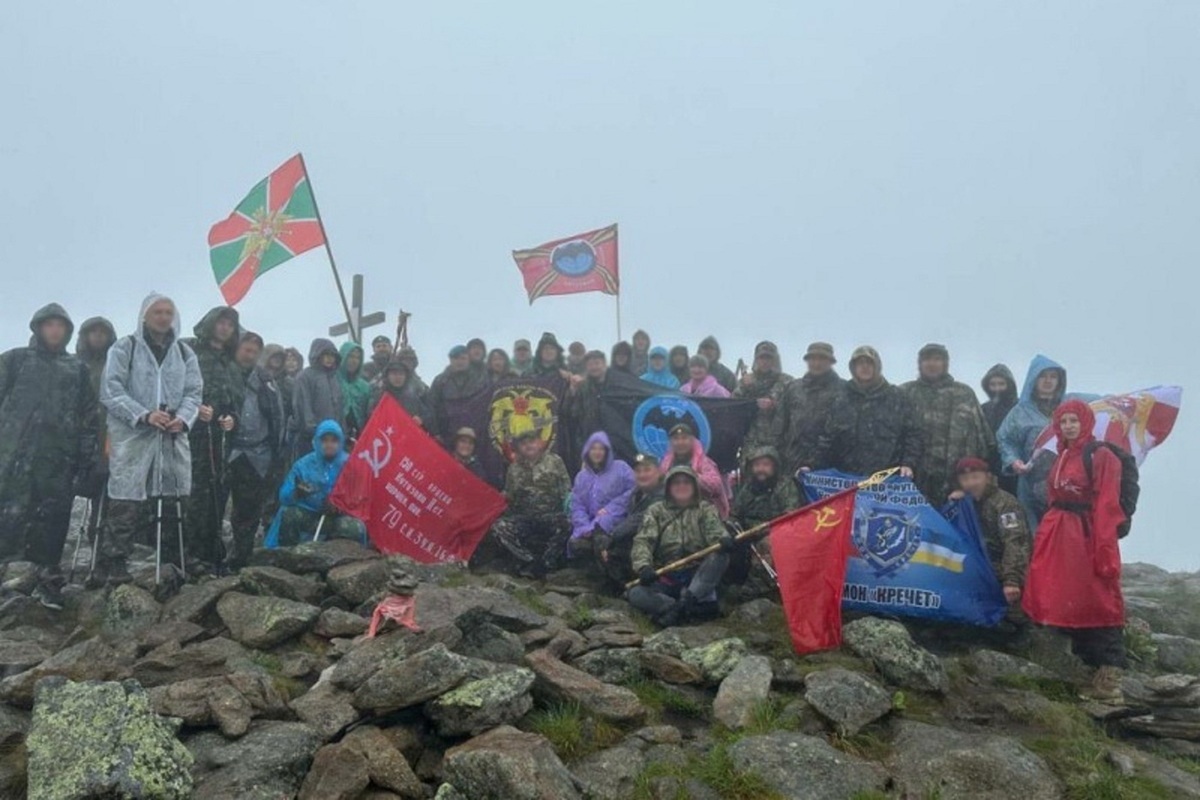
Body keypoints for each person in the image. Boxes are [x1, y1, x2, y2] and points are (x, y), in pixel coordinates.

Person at [1022, 400, 1128, 704]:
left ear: (1086, 422)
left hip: (1084, 536)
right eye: (1063, 421)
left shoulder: (1101, 455)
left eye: (1074, 420)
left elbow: (1107, 504)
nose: (1068, 425)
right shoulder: (1064, 453)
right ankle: (1089, 670)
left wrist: (1105, 550)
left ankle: (1110, 677)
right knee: (1066, 596)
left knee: (1097, 597)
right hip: (1060, 535)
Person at [97, 293, 202, 586]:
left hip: (171, 435)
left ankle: (175, 555)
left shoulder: (184, 353)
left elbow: (194, 392)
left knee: (174, 495)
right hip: (132, 436)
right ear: (145, 315)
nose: (164, 316)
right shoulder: (125, 348)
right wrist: (143, 414)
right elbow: (111, 390)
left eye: (169, 311)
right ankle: (114, 562)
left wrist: (183, 418)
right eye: (158, 311)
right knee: (125, 498)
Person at [0, 304, 97, 607]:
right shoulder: (14, 360)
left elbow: (88, 419)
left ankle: (49, 584)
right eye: (49, 325)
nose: (55, 330)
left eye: (60, 326)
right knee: (6, 518)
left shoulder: (77, 369)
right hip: (12, 460)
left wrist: (86, 458)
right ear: (38, 328)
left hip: (58, 463)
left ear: (67, 331)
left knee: (53, 523)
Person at [183, 306, 245, 576]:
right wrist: (194, 408)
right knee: (194, 495)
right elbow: (176, 389)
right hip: (190, 437)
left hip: (220, 439)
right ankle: (189, 553)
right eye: (220, 323)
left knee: (217, 495)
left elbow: (235, 401)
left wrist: (232, 419)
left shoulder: (231, 363)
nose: (224, 328)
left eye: (229, 325)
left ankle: (211, 554)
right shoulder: (190, 353)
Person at [629, 466, 733, 627]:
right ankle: (683, 608)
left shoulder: (705, 509)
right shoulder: (655, 511)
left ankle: (685, 603)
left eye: (686, 482)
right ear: (668, 487)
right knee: (635, 593)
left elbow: (716, 532)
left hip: (698, 575)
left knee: (720, 556)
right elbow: (643, 540)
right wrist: (643, 567)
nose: (681, 486)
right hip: (666, 576)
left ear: (694, 486)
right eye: (676, 482)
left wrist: (723, 540)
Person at [901, 343, 996, 506]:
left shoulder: (964, 393)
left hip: (957, 485)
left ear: (945, 364)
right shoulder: (905, 393)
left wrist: (971, 483)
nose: (932, 364)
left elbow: (983, 441)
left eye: (937, 359)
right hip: (912, 484)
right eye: (927, 359)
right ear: (919, 364)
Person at [226, 332, 285, 569]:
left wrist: (275, 453)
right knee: (212, 509)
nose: (249, 354)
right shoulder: (223, 374)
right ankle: (210, 558)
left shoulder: (267, 381)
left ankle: (241, 558)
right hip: (225, 451)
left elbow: (277, 418)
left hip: (257, 455)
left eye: (253, 351)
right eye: (245, 349)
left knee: (248, 512)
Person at [816, 346, 921, 479]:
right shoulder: (840, 398)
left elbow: (913, 434)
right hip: (847, 481)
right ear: (853, 368)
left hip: (887, 482)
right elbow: (827, 438)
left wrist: (908, 464)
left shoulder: (897, 397)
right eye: (860, 363)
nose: (864, 367)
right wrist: (812, 466)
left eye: (869, 362)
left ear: (877, 366)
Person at [950, 457, 1031, 625]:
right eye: (965, 480)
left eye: (975, 477)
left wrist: (1012, 580)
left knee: (1013, 621)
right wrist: (954, 505)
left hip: (1003, 571)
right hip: (976, 569)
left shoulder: (1005, 503)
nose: (971, 483)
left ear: (987, 477)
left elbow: (1016, 543)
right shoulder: (964, 502)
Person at [481, 430, 571, 575]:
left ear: (539, 443)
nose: (528, 445)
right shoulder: (513, 469)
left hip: (552, 516)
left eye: (532, 441)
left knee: (569, 523)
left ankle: (547, 563)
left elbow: (566, 492)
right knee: (499, 527)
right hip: (525, 519)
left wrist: (569, 510)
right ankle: (528, 561)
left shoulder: (555, 462)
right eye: (523, 443)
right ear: (517, 448)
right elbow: (508, 497)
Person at [996, 355, 1068, 526]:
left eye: (1053, 376)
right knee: (1034, 534)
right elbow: (1005, 439)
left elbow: (1104, 403)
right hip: (1031, 482)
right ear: (1033, 378)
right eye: (1043, 376)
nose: (1048, 381)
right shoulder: (1021, 412)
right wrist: (1013, 461)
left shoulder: (1070, 404)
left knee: (1064, 532)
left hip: (1066, 482)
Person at [268, 420, 364, 546]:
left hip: (337, 520)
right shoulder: (303, 465)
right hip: (310, 516)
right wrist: (297, 493)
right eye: (325, 440)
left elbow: (359, 497)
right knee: (288, 515)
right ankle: (288, 555)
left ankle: (340, 556)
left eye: (334, 440)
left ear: (340, 442)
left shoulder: (350, 465)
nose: (329, 444)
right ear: (317, 441)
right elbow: (283, 496)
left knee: (356, 528)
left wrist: (339, 507)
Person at [728, 446, 800, 596]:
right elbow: (735, 514)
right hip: (745, 534)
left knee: (766, 545)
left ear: (774, 467)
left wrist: (764, 531)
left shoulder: (784, 486)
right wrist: (732, 528)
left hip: (775, 535)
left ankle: (755, 591)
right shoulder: (748, 488)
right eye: (757, 465)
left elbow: (790, 516)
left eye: (766, 465)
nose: (761, 469)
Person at [74, 316, 117, 543]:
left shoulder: (117, 366)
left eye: (103, 332)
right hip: (75, 440)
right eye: (93, 332)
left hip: (108, 438)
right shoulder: (73, 365)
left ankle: (99, 545)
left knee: (105, 495)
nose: (98, 336)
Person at [596, 453, 663, 585]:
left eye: (647, 470)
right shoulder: (636, 493)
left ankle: (625, 588)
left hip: (655, 547)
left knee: (612, 550)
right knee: (599, 539)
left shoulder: (662, 495)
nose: (642, 475)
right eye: (638, 471)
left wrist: (611, 539)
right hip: (635, 541)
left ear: (659, 472)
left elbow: (636, 522)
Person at [568, 432, 635, 562]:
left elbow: (633, 490)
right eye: (593, 448)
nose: (597, 452)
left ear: (607, 451)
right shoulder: (581, 477)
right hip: (589, 524)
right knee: (575, 542)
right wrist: (584, 526)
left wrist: (611, 509)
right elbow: (577, 505)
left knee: (602, 529)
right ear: (587, 451)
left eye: (601, 448)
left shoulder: (621, 468)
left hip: (617, 520)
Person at [782, 342, 844, 475]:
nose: (817, 363)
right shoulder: (793, 388)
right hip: (792, 464)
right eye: (813, 359)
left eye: (822, 359)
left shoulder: (844, 390)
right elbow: (780, 426)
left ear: (830, 362)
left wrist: (815, 463)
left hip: (830, 468)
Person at [734, 341, 792, 456]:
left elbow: (793, 409)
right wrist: (745, 387)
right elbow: (734, 405)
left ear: (775, 360)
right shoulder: (746, 381)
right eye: (761, 358)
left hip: (778, 443)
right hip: (751, 442)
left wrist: (774, 404)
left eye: (769, 358)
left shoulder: (787, 382)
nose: (765, 362)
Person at [660, 424, 729, 518]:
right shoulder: (665, 464)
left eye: (684, 438)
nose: (680, 442)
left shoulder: (704, 462)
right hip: (672, 514)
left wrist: (690, 477)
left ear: (692, 441)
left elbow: (716, 486)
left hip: (702, 513)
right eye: (676, 439)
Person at [292, 338, 343, 455]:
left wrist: (340, 432)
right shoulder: (305, 376)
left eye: (332, 355)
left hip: (333, 439)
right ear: (317, 355)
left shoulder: (335, 378)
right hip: (311, 439)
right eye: (326, 354)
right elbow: (303, 407)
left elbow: (340, 409)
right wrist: (314, 431)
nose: (330, 358)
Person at [428, 345, 486, 441]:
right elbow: (431, 407)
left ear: (468, 360)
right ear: (450, 360)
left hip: (474, 435)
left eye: (463, 358)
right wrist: (436, 432)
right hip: (446, 434)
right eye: (456, 358)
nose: (460, 362)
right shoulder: (440, 381)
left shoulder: (479, 379)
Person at [562, 350, 608, 462]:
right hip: (587, 440)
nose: (594, 367)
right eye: (591, 364)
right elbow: (568, 412)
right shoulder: (582, 388)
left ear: (604, 364)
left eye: (597, 363)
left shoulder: (614, 385)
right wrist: (572, 391)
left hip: (611, 439)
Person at [980, 364, 1020, 494]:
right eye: (993, 384)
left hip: (1016, 467)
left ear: (1009, 385)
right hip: (990, 468)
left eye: (1001, 384)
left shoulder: (1020, 408)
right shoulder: (983, 409)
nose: (997, 388)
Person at [369, 359, 431, 427]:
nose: (398, 377)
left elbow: (427, 416)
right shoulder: (379, 397)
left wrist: (421, 419)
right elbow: (370, 417)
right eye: (394, 374)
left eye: (401, 374)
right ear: (387, 376)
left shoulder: (412, 399)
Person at [337, 341, 371, 441]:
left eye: (358, 358)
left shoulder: (365, 386)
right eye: (351, 356)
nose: (354, 361)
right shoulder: (332, 381)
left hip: (359, 437)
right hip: (335, 437)